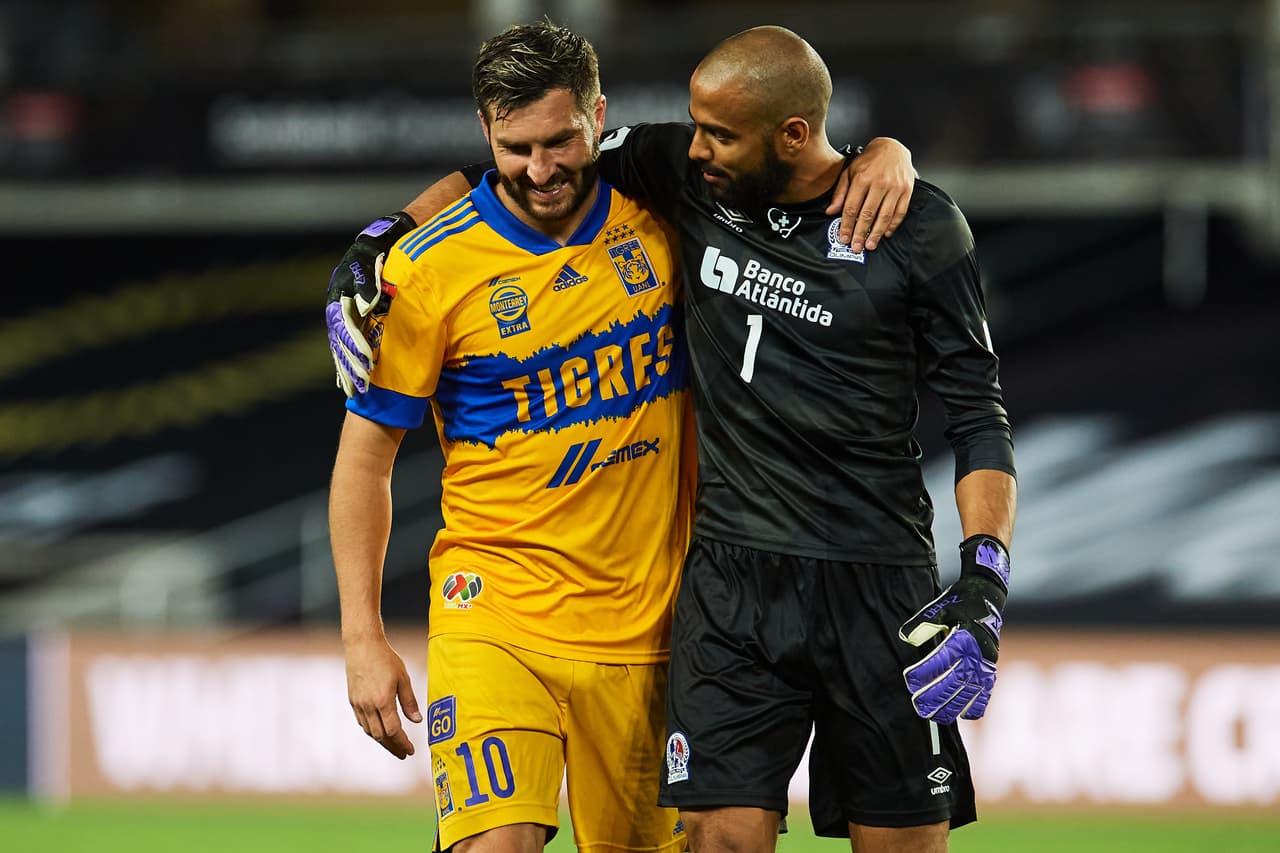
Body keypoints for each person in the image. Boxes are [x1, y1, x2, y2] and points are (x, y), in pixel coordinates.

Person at [333, 22, 1012, 853]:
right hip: (674, 593)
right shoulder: (677, 185)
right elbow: (500, 180)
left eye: (719, 134)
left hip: (841, 587)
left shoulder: (886, 223)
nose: (697, 149)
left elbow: (980, 415)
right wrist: (379, 236)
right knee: (669, 839)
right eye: (696, 128)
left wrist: (984, 576)